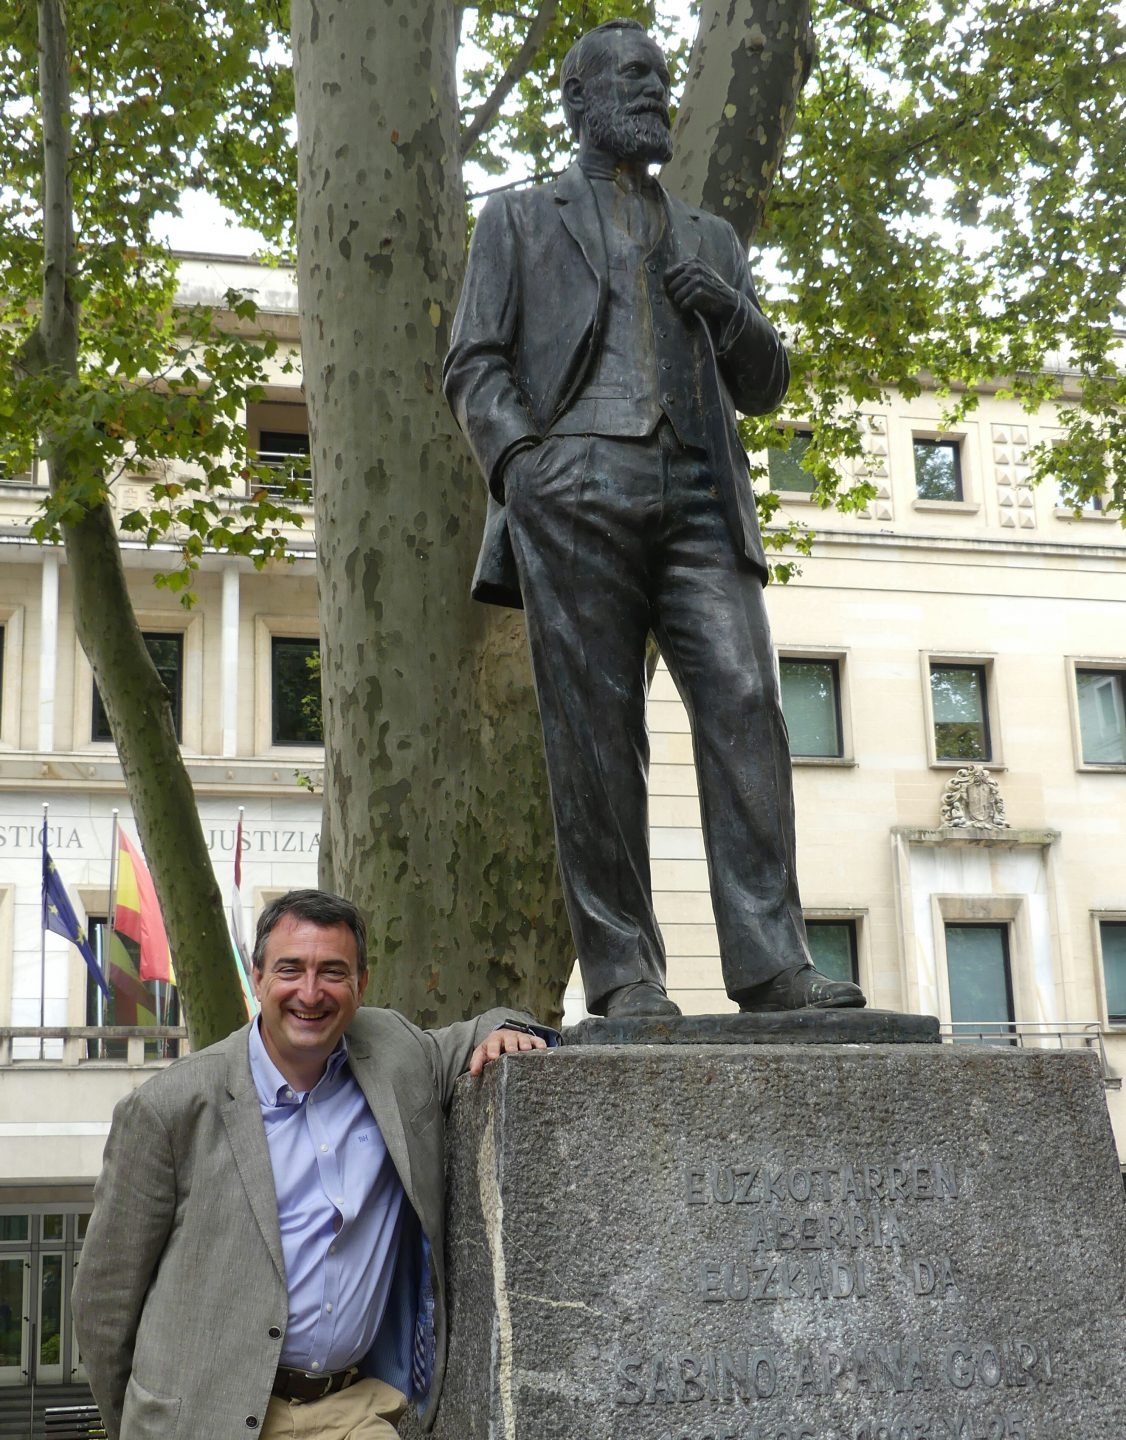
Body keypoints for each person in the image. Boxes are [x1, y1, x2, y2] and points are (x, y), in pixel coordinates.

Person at [444, 18, 865, 1021]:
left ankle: (771, 964)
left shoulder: (711, 237)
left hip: (698, 500)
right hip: (573, 484)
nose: (652, 93)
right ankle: (624, 973)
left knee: (747, 706)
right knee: (594, 736)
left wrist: (728, 310)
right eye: (630, 78)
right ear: (576, 99)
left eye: (661, 79)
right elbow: (473, 361)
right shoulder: (514, 220)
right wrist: (522, 466)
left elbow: (763, 384)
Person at [72, 888, 552, 1439]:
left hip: (353, 1410)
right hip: (209, 1419)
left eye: (332, 971)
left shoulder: (396, 1052)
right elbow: (103, 1302)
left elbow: (489, 1027)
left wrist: (513, 1033)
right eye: (290, 969)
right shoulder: (168, 1110)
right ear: (256, 978)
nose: (310, 992)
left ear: (360, 984)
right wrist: (142, 1421)